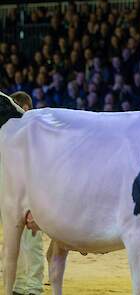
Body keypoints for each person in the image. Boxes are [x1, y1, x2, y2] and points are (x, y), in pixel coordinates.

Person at [10, 91, 44, 295]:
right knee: (18, 242)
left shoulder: (35, 134)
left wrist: (34, 203)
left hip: (31, 196)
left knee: (31, 242)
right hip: (14, 196)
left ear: (25, 108)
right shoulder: (13, 133)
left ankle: (33, 287)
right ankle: (20, 285)